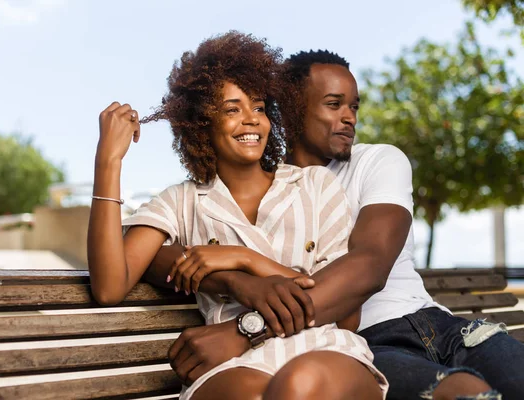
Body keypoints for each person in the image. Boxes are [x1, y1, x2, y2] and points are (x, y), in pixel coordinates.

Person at [147, 50, 524, 400]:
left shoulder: (377, 161)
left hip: (439, 325)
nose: (350, 117)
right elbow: (159, 254)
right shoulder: (265, 192)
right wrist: (228, 272)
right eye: (334, 104)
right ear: (292, 110)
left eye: (354, 106)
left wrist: (244, 328)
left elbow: (369, 266)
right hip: (369, 345)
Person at [88, 32, 387, 400]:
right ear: (201, 124)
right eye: (232, 109)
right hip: (230, 361)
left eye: (259, 108)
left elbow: (347, 316)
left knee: (300, 385)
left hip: (323, 345)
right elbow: (108, 286)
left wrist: (244, 259)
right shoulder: (182, 201)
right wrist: (109, 160)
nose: (251, 121)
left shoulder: (315, 185)